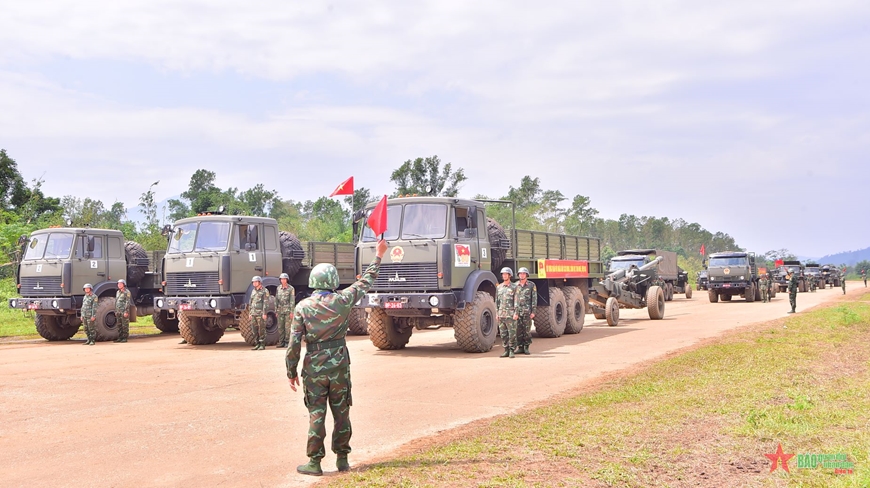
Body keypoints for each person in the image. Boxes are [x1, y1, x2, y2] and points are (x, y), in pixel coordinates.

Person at [286, 238, 387, 476]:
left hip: (314, 367)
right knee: (342, 412)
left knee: (316, 413)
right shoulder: (343, 300)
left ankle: (314, 462)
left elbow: (293, 344)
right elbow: (366, 280)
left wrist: (291, 371)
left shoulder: (303, 307)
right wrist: (379, 254)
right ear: (332, 281)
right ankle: (342, 458)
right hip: (340, 365)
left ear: (313, 281)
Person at [496, 267, 518, 359]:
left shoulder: (514, 287)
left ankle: (512, 350)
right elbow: (497, 301)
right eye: (503, 274)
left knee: (512, 333)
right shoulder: (499, 287)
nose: (504, 276)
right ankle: (506, 350)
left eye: (506, 274)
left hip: (511, 314)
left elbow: (517, 301)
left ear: (510, 275)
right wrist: (497, 313)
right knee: (503, 334)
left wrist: (516, 313)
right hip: (501, 315)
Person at [514, 267, 536, 355]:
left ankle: (526, 347)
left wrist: (533, 311)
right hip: (518, 312)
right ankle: (520, 347)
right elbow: (513, 299)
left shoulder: (531, 285)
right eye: (520, 273)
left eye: (523, 273)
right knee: (518, 330)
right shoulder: (515, 285)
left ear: (526, 275)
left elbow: (534, 299)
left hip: (527, 311)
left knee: (526, 330)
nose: (522, 275)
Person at [276, 273, 295, 348]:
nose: (283, 280)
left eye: (284, 279)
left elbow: (292, 301)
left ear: (287, 280)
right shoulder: (278, 288)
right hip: (280, 310)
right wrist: (276, 310)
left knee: (287, 328)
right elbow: (276, 299)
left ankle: (287, 342)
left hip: (287, 310)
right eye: (281, 279)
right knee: (280, 327)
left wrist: (292, 312)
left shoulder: (291, 289)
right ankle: (281, 342)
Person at [249, 276, 268, 350]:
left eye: (256, 282)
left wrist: (264, 313)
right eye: (253, 282)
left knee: (261, 329)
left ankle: (262, 344)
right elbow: (250, 302)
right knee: (254, 329)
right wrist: (250, 313)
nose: (254, 283)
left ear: (260, 282)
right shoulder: (253, 291)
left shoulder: (264, 291)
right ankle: (257, 343)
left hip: (260, 313)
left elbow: (265, 303)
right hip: (253, 313)